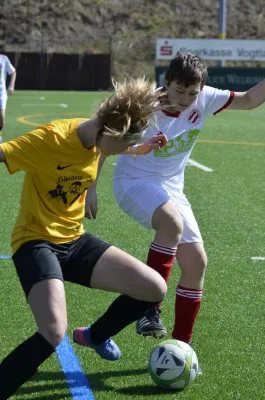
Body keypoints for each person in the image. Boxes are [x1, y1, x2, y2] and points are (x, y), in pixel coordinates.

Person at [0, 77, 168, 399]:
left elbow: (114, 149)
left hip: (75, 241)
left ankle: (95, 335)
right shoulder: (51, 138)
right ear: (113, 132)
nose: (123, 151)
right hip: (35, 241)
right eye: (125, 145)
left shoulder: (100, 138)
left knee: (153, 287)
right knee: (53, 331)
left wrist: (141, 148)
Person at [86, 52, 265, 346]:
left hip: (171, 188)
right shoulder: (144, 106)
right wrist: (91, 186)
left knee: (196, 263)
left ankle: (182, 347)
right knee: (171, 222)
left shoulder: (206, 97)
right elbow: (103, 139)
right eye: (179, 91)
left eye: (191, 93)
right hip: (133, 183)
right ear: (165, 83)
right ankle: (149, 309)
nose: (184, 99)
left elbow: (249, 100)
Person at [0, 53, 16, 143]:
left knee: (1, 118)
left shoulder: (3, 59)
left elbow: (13, 72)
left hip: (1, 93)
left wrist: (11, 86)